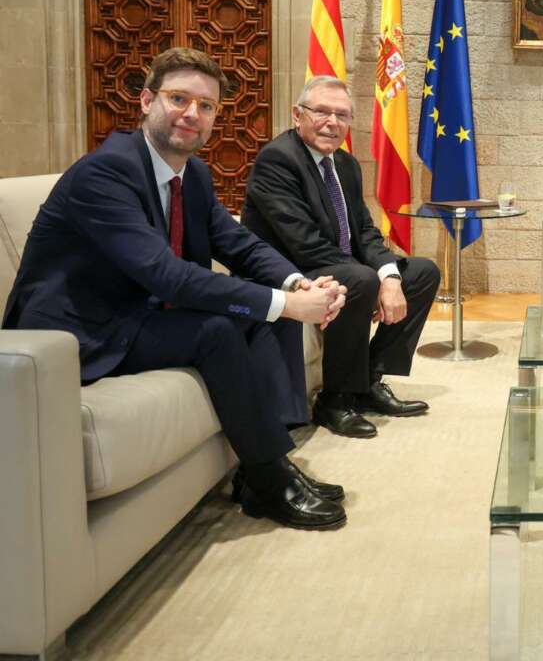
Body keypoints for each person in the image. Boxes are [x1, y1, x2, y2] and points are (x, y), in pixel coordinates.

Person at [3, 47, 351, 530]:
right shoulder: (106, 172)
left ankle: (265, 465)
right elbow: (164, 274)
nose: (192, 114)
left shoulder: (194, 174)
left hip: (138, 312)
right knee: (218, 328)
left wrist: (297, 282)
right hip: (77, 332)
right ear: (147, 101)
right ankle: (269, 480)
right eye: (178, 98)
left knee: (257, 314)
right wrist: (289, 304)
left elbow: (237, 243)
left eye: (206, 106)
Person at [242, 76, 440, 439]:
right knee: (361, 279)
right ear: (297, 115)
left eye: (342, 115)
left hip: (335, 262)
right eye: (322, 112)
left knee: (422, 273)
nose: (332, 122)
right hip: (292, 271)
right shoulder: (278, 160)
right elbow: (305, 245)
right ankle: (334, 400)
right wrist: (373, 280)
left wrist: (390, 278)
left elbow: (364, 232)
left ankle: (369, 380)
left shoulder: (345, 164)